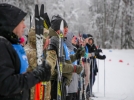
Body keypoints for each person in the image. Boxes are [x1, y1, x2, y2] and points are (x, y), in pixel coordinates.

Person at [0, 3, 51, 100]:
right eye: (21, 21)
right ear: (11, 23)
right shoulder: (2, 45)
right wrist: (36, 75)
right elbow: (6, 84)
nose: (24, 26)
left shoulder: (13, 45)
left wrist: (38, 74)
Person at [46, 15, 84, 100]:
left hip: (61, 82)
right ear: (57, 29)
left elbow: (65, 59)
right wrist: (74, 68)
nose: (67, 30)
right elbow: (59, 65)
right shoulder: (55, 40)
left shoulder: (60, 40)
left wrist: (76, 56)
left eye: (67, 27)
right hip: (55, 82)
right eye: (64, 27)